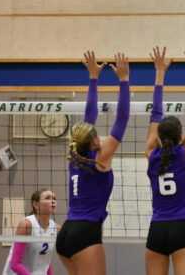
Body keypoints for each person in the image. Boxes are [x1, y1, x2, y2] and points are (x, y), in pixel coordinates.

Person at [56, 51, 130, 275]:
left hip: (67, 233)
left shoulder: (75, 156)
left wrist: (93, 77)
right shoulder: (100, 157)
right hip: (86, 234)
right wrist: (124, 80)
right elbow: (122, 119)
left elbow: (89, 117)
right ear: (96, 140)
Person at [144, 46, 185, 275]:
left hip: (157, 228)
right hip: (183, 227)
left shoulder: (151, 153)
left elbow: (154, 115)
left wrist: (159, 73)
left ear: (158, 137)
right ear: (181, 135)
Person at [2, 189, 60, 275]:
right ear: (36, 205)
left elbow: (45, 261)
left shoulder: (56, 228)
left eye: (54, 198)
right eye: (48, 198)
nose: (53, 201)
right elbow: (15, 264)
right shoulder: (26, 224)